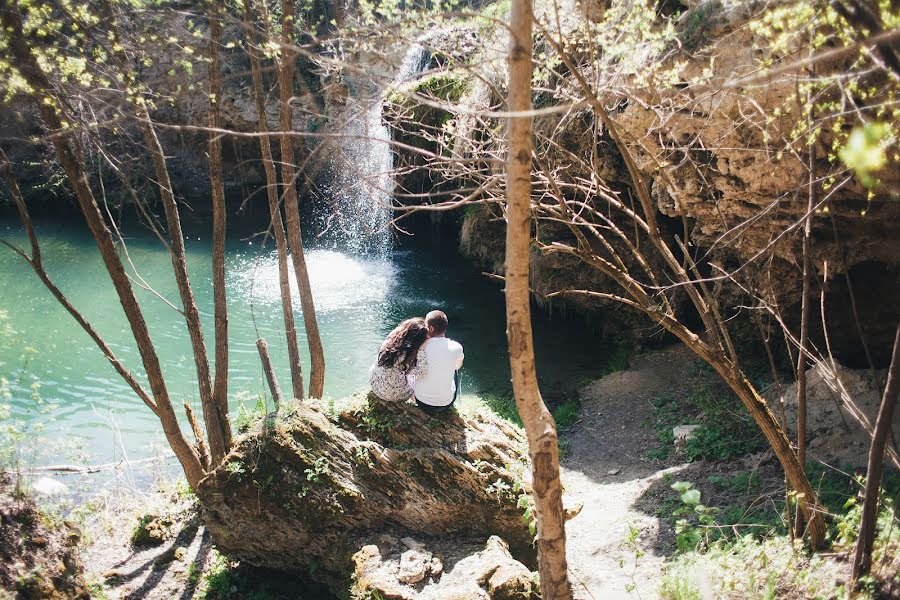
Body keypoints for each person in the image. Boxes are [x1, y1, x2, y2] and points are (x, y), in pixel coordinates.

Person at [413, 310, 464, 413]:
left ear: (431, 328)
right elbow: (457, 366)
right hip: (445, 405)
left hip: (421, 402)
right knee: (454, 368)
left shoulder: (421, 345)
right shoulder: (456, 347)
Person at [368, 317, 429, 402]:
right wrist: (421, 351)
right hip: (396, 395)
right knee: (415, 379)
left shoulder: (391, 338)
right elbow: (421, 373)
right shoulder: (407, 354)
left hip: (375, 386)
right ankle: (414, 401)